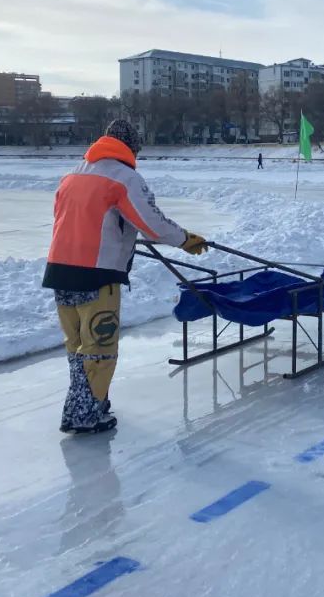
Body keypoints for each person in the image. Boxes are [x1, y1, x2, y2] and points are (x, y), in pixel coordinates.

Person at [42, 120, 208, 434]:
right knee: (100, 346)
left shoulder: (73, 175)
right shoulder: (124, 178)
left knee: (77, 345)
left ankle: (85, 403)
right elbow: (152, 223)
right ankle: (86, 415)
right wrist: (184, 239)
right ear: (131, 147)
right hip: (97, 274)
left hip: (58, 270)